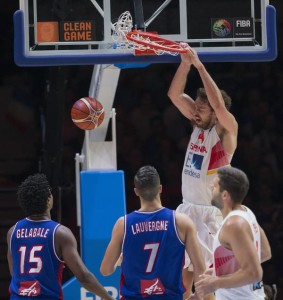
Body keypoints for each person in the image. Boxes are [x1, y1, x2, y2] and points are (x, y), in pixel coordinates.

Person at [167, 43, 238, 298]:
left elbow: (219, 107)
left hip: (210, 214)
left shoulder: (225, 130)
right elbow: (174, 95)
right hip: (187, 209)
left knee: (204, 281)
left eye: (201, 108)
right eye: (195, 106)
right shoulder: (198, 124)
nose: (195, 110)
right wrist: (184, 64)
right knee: (182, 281)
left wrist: (199, 65)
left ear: (215, 113)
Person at [100, 165, 208, 300]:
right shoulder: (182, 222)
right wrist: (198, 295)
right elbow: (199, 267)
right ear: (160, 189)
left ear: (136, 191)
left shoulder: (123, 224)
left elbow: (105, 270)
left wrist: (120, 260)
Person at [7, 173, 114, 300]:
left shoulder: (12, 232)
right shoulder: (60, 233)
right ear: (48, 200)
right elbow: (84, 277)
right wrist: (109, 298)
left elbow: (15, 273)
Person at [195, 166, 272, 299]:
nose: (211, 190)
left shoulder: (233, 224)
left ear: (224, 195)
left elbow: (254, 273)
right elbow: (264, 253)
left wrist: (216, 283)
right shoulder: (246, 212)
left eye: (214, 187)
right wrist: (218, 271)